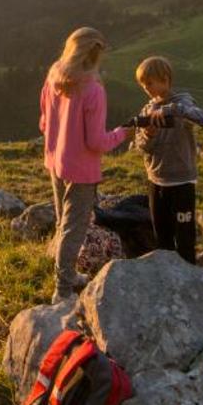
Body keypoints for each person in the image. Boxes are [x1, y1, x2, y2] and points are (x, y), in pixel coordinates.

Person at [38, 26, 128, 298]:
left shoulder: (55, 73)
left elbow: (44, 119)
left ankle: (66, 272)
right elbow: (97, 142)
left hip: (55, 159)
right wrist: (125, 132)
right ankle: (63, 290)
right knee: (73, 228)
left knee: (61, 222)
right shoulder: (93, 90)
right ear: (96, 55)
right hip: (80, 169)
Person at [127, 56, 203, 264]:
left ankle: (189, 270)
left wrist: (170, 110)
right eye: (142, 84)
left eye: (150, 83)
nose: (146, 88)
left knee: (184, 235)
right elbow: (141, 147)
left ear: (165, 79)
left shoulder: (183, 102)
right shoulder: (146, 111)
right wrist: (149, 134)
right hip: (156, 180)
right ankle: (167, 274)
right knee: (162, 234)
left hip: (182, 181)